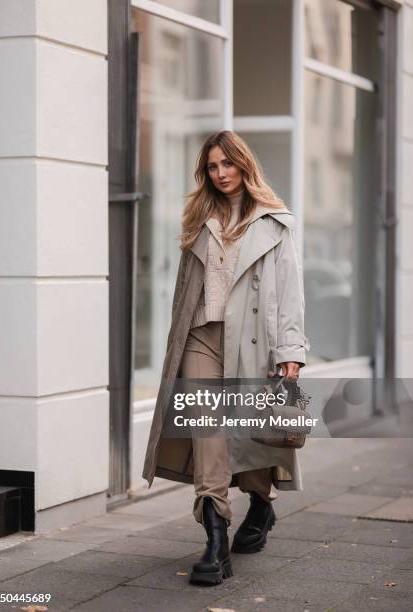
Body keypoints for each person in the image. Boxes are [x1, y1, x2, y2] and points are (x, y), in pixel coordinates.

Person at [142, 130, 310, 586]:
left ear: (244, 165)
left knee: (252, 436)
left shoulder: (274, 222)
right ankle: (215, 539)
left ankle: (261, 504)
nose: (221, 174)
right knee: (208, 436)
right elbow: (185, 291)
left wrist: (290, 353)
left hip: (252, 340)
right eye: (213, 167)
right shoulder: (199, 217)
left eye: (227, 164)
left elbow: (291, 293)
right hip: (200, 338)